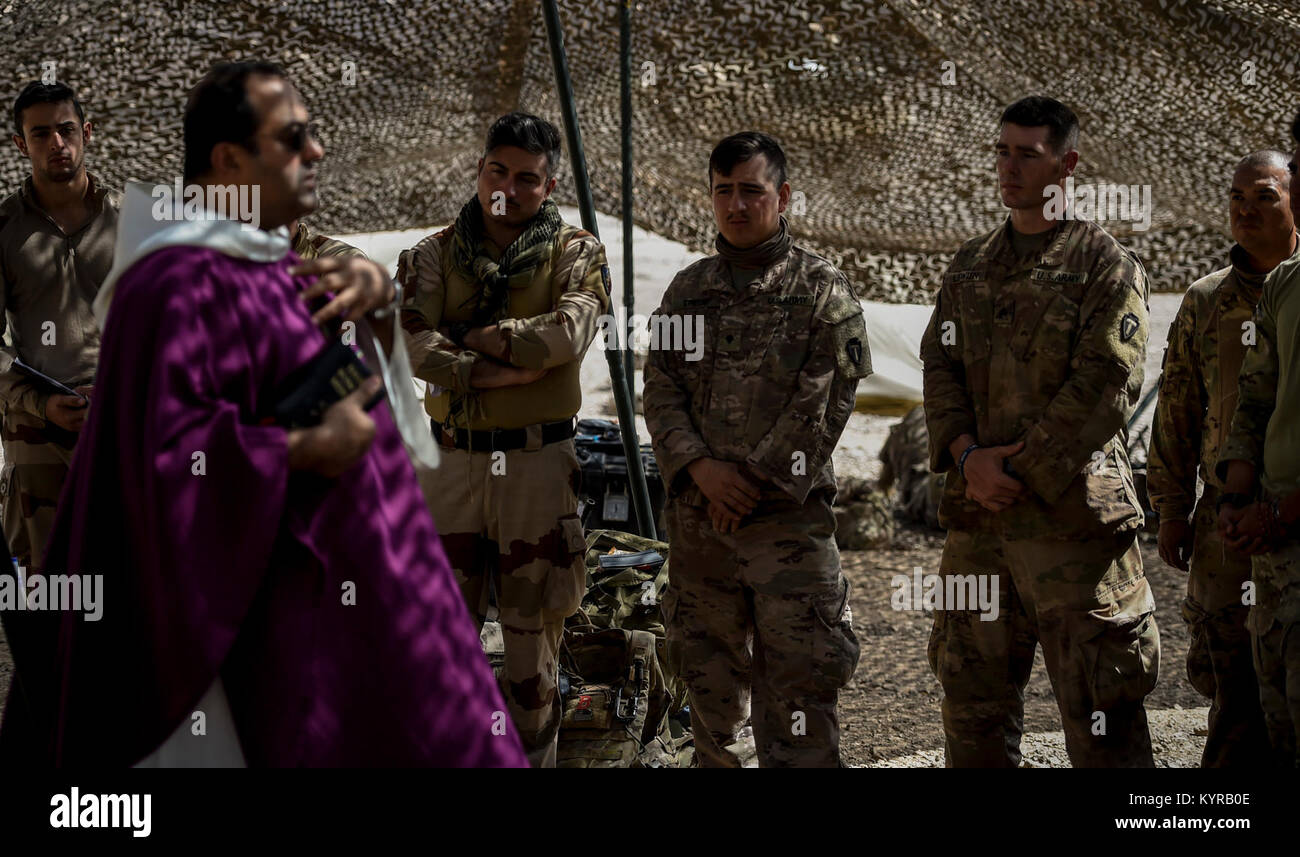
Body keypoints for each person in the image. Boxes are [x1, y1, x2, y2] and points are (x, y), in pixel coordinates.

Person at [0, 60, 525, 767]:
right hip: (257, 623)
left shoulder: (273, 266)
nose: (318, 152)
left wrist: (376, 315)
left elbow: (345, 389)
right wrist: (299, 448)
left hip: (351, 592)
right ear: (229, 159)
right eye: (294, 138)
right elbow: (172, 455)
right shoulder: (175, 281)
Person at [921, 96, 1158, 767]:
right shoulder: (968, 267)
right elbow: (939, 363)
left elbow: (1107, 384)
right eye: (1002, 150)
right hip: (979, 531)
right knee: (972, 717)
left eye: (1028, 152)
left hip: (1072, 532)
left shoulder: (1105, 266)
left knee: (1103, 720)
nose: (1011, 166)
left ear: (1067, 162)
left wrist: (1016, 469)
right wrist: (967, 457)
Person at [643, 130, 870, 768]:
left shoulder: (821, 291)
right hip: (701, 533)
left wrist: (750, 481)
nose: (737, 206)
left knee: (800, 693)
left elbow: (825, 400)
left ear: (784, 196)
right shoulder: (687, 293)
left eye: (752, 190)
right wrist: (701, 469)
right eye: (724, 192)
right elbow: (660, 390)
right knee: (713, 701)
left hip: (787, 530)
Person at [397, 111, 610, 767]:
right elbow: (412, 343)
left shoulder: (576, 252)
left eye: (527, 178)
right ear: (479, 169)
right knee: (440, 639)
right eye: (498, 171)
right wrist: (497, 368)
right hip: (451, 465)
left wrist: (475, 335)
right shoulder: (431, 254)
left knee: (531, 648)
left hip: (535, 468)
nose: (508, 189)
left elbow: (568, 333)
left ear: (548, 187)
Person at [1148, 150, 1294, 767]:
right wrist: (1172, 509)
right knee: (1230, 682)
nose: (1245, 209)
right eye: (1237, 196)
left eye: (1263, 196)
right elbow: (1176, 406)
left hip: (1291, 515)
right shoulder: (1207, 302)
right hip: (1226, 522)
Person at [0, 81, 118, 570]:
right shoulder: (4, 230)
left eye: (66, 130)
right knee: (46, 590)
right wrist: (41, 402)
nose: (57, 144)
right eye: (41, 133)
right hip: (36, 436)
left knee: (130, 581)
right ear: (21, 144)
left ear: (87, 133)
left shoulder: (131, 221)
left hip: (119, 425)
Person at [1217, 112, 1300, 767]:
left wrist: (1277, 512)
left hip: (1285, 522)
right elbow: (1254, 397)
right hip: (1273, 551)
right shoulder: (1283, 288)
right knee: (1273, 723)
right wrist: (1234, 498)